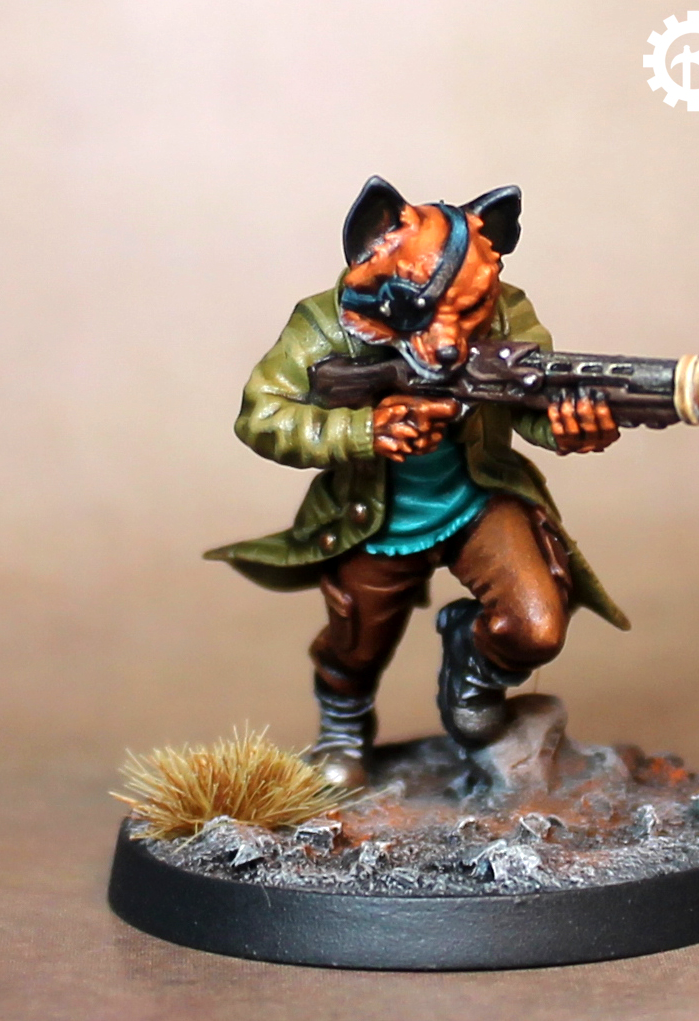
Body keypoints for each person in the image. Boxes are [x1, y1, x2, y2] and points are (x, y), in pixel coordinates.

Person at [206, 177, 629, 787]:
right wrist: (364, 430)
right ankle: (343, 732)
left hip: (477, 500)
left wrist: (573, 428)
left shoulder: (507, 311)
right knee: (355, 647)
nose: (449, 342)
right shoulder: (324, 326)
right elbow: (262, 417)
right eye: (425, 310)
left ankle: (473, 681)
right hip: (370, 519)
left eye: (467, 312)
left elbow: (530, 406)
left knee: (535, 626)